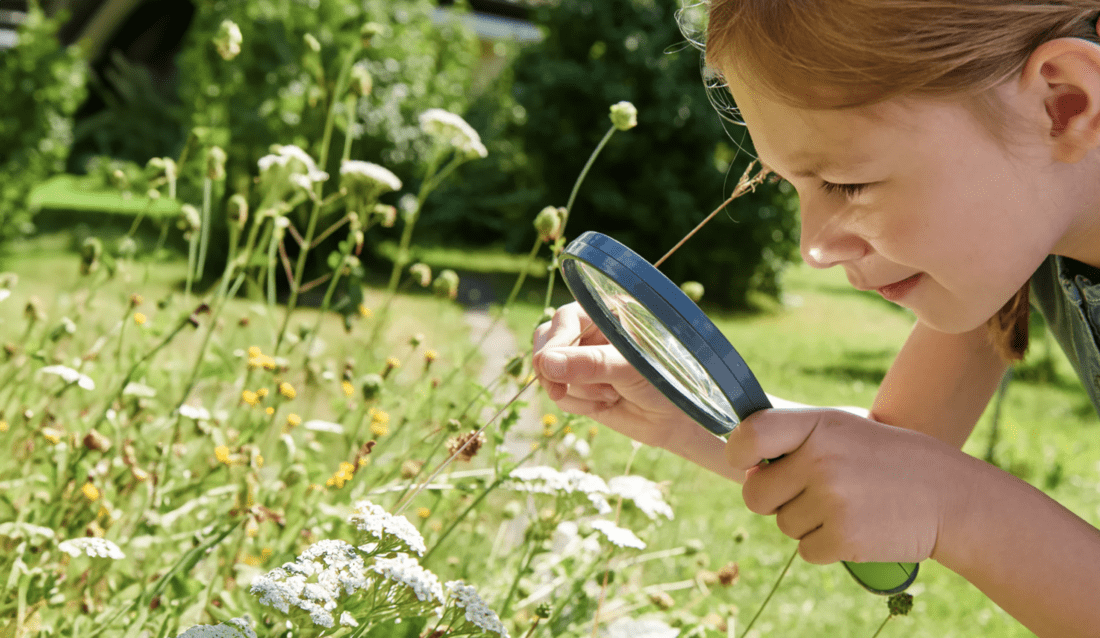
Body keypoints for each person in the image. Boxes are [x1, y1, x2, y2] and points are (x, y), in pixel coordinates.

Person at [532, 2, 1100, 636]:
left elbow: (925, 481)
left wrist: (958, 508)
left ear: (1064, 104)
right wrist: (693, 411)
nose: (813, 249)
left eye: (848, 183)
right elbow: (896, 457)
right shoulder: (1019, 233)